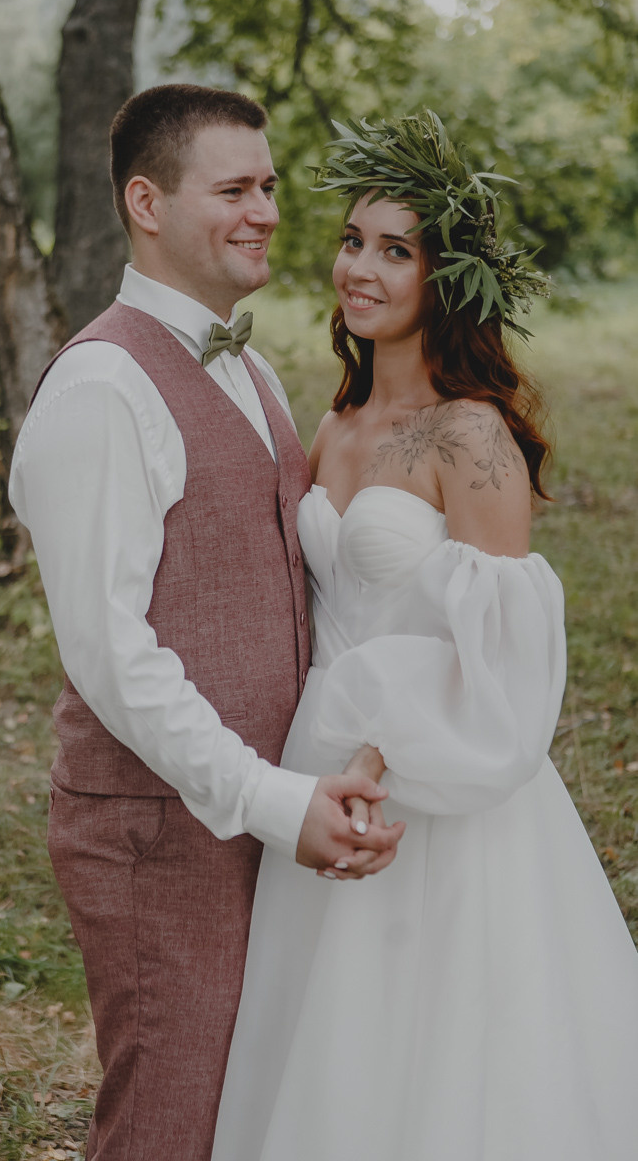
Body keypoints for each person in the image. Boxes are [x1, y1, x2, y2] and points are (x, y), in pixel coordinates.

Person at [212, 109, 638, 1161]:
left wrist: (383, 748)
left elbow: (506, 663)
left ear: (445, 280)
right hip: (320, 773)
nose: (359, 267)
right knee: (325, 1050)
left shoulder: (472, 434)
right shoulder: (334, 423)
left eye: (394, 250)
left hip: (435, 786)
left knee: (443, 1061)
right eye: (352, 240)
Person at [8, 85, 404, 1161]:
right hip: (158, 828)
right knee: (165, 1124)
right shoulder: (101, 385)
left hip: (258, 811)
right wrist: (273, 798)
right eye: (232, 188)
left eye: (269, 186)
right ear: (147, 201)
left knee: (247, 1110)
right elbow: (109, 651)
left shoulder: (256, 368)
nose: (266, 211)